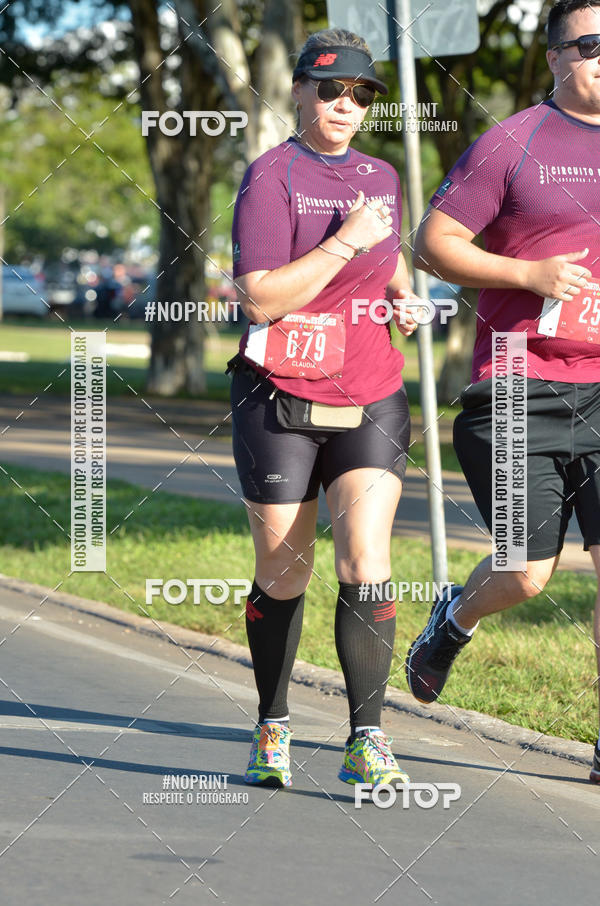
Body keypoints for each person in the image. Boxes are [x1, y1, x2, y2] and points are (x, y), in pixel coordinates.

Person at [404, 0, 600, 784]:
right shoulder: (514, 142)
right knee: (524, 571)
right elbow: (431, 244)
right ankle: (452, 620)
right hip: (518, 384)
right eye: (591, 43)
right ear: (554, 56)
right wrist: (529, 274)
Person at [228, 27, 421, 788]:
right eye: (332, 89)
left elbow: (388, 252)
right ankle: (272, 723)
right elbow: (260, 298)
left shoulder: (381, 175)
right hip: (279, 393)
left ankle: (366, 738)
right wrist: (345, 242)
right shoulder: (270, 176)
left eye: (361, 94)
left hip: (370, 389)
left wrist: (403, 292)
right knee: (284, 570)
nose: (346, 104)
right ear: (301, 90)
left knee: (366, 560)